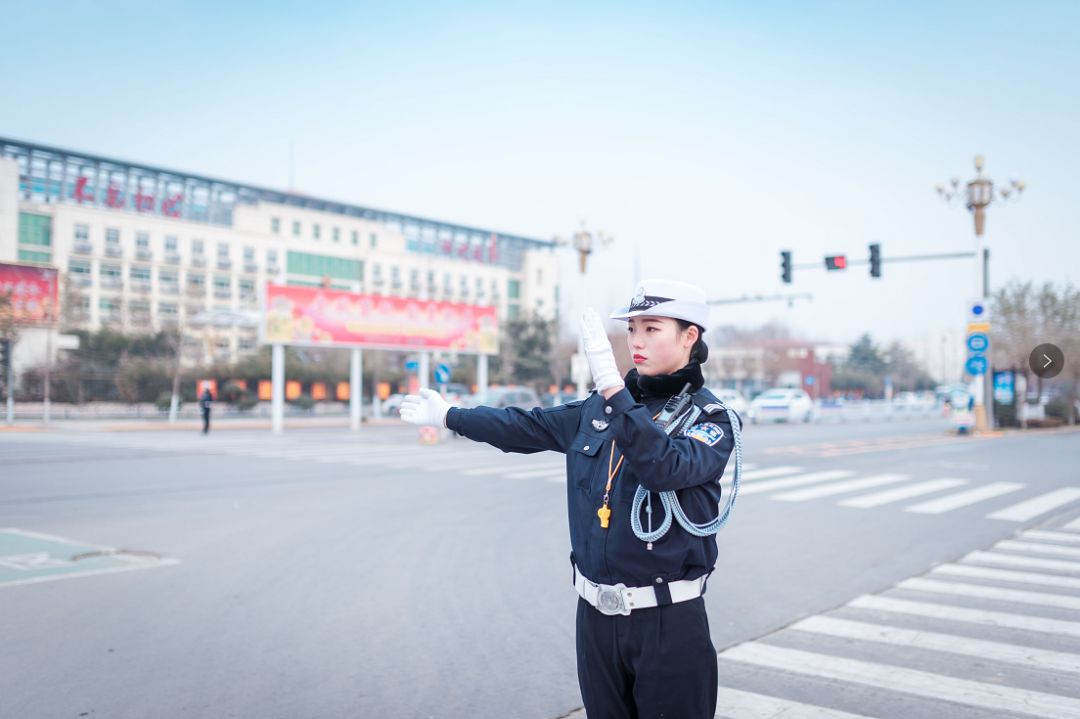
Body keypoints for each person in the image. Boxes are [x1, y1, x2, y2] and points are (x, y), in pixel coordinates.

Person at [400, 279, 742, 719]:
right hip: (596, 618)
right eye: (632, 328)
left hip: (667, 623)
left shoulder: (709, 419)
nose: (635, 341)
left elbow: (664, 467)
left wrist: (614, 391)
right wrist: (451, 415)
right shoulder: (597, 409)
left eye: (651, 329)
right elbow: (526, 427)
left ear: (689, 335)